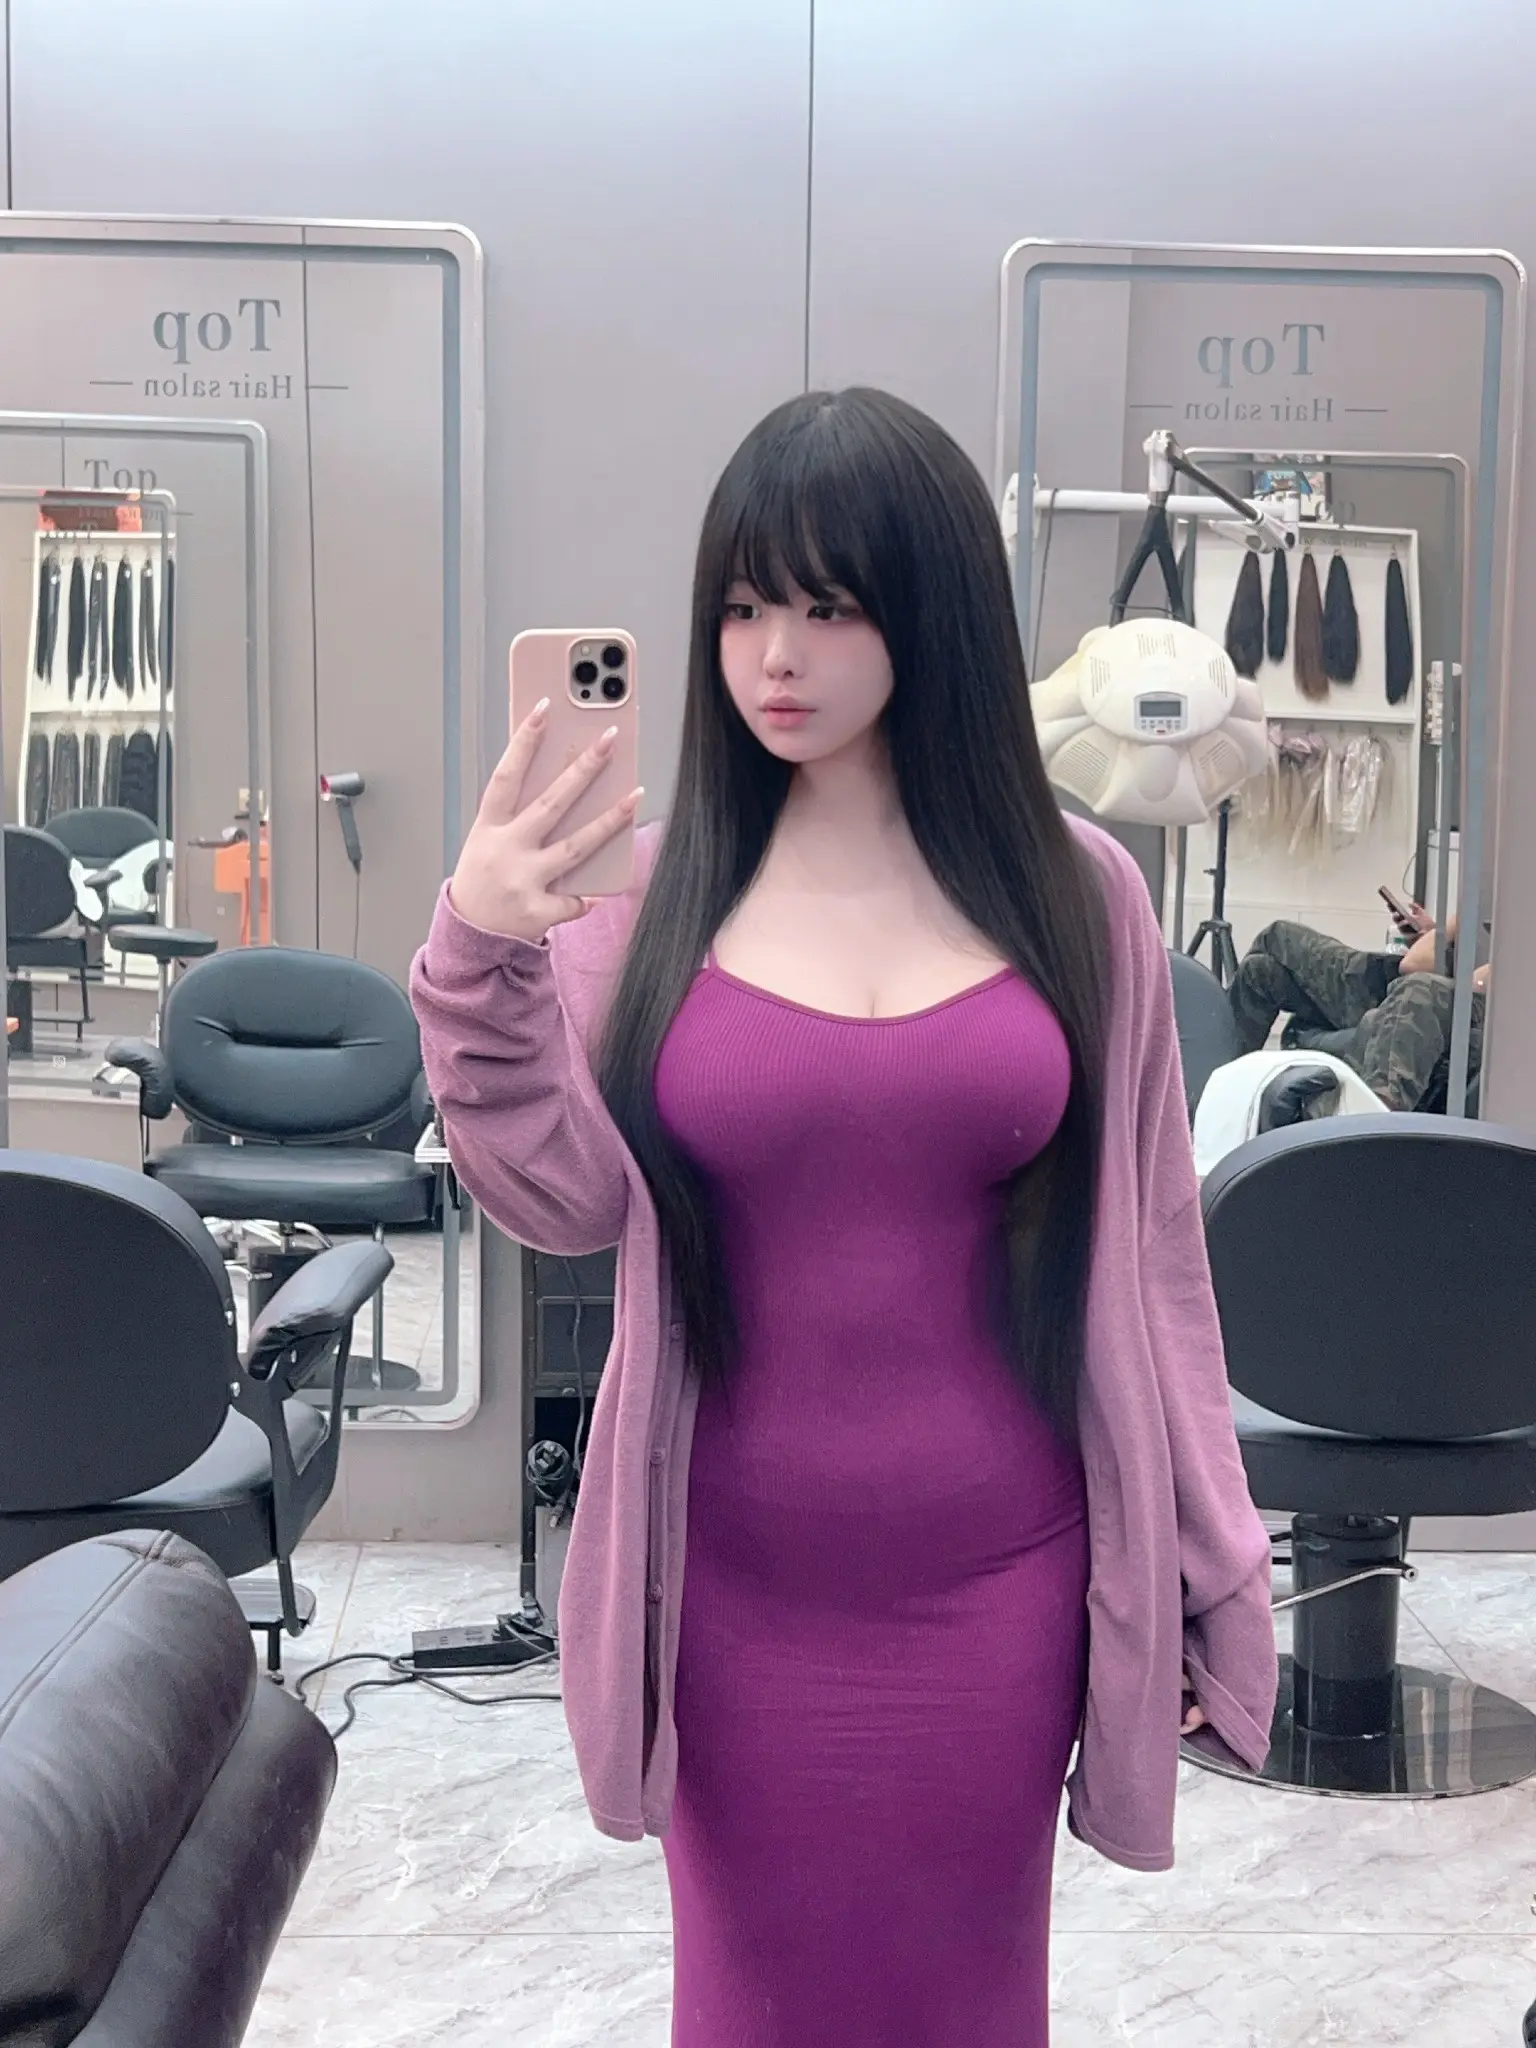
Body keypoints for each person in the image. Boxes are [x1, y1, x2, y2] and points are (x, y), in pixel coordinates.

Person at [410, 389, 1276, 2048]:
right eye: (743, 605)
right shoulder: (634, 901)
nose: (775, 654)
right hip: (730, 1597)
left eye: (827, 604)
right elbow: (561, 1200)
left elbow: (1155, 1254)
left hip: (1003, 1587)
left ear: (930, 610)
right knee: (751, 2005)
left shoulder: (1078, 892)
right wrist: (479, 951)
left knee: (970, 2002)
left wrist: (1194, 1559)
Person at [1229, 917, 1488, 1113]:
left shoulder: (1508, 947)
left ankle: (1374, 1117)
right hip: (1394, 985)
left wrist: (1456, 918)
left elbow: (1414, 967)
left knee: (1278, 935)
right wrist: (1432, 933)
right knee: (1259, 970)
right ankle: (1216, 1090)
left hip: (1388, 992)